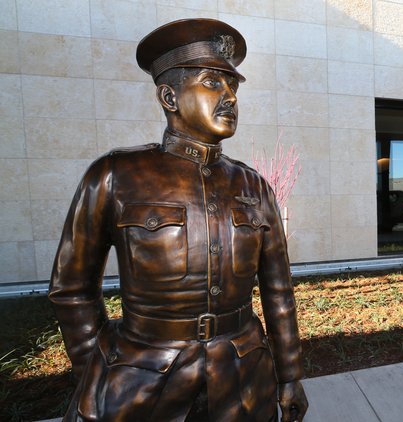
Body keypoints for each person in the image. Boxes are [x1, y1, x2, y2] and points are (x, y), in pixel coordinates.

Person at [48, 19, 308, 422]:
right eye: (212, 83)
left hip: (243, 381)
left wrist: (289, 376)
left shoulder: (254, 186)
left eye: (233, 86)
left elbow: (278, 291)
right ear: (169, 96)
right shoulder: (115, 175)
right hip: (142, 381)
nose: (230, 98)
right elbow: (73, 289)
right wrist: (95, 373)